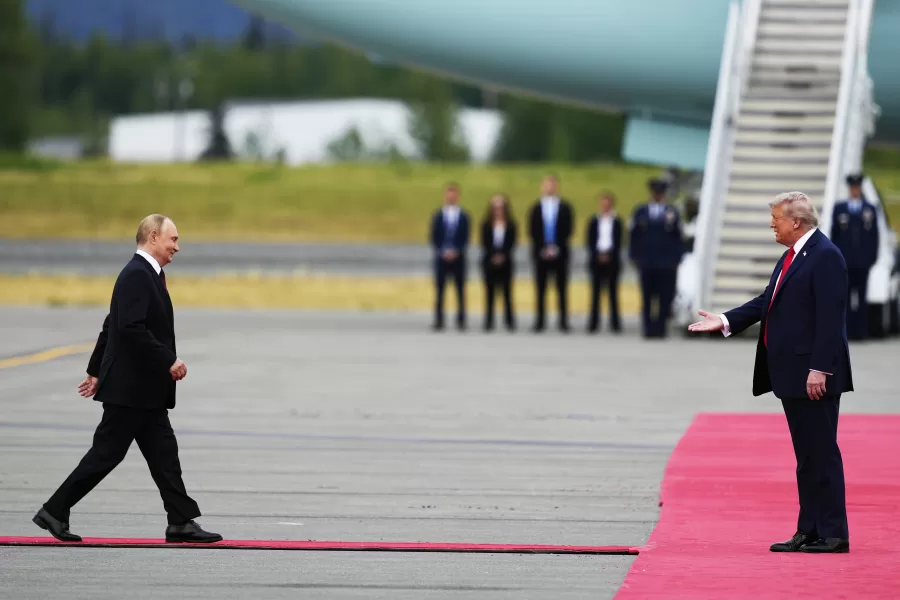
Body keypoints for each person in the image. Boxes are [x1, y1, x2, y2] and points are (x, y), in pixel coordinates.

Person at [33, 214, 222, 544]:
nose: (177, 246)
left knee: (164, 454)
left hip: (143, 392)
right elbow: (128, 328)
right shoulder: (137, 274)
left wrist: (94, 371)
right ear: (152, 237)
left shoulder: (147, 275)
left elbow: (110, 325)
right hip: (131, 391)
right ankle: (54, 509)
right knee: (106, 454)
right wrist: (169, 360)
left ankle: (180, 522)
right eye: (173, 239)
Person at [689, 191, 852, 554]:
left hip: (814, 375)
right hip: (793, 373)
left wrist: (820, 369)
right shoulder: (793, 255)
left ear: (796, 222)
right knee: (806, 456)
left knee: (821, 452)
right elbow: (768, 300)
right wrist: (725, 319)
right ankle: (809, 529)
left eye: (776, 219)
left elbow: (830, 318)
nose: (771, 225)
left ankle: (833, 532)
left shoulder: (825, 257)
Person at [629, 178, 684, 338]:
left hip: (665, 263)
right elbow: (634, 236)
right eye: (655, 192)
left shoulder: (671, 212)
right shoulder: (641, 211)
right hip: (647, 261)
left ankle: (660, 328)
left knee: (664, 297)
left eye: (660, 193)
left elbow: (677, 237)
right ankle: (648, 328)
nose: (657, 195)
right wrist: (634, 256)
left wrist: (676, 258)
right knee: (647, 296)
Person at [830, 173, 880, 340]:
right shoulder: (840, 209)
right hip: (845, 261)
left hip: (863, 261)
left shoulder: (869, 209)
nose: (855, 190)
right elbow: (834, 236)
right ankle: (847, 331)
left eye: (857, 188)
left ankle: (861, 331)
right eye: (853, 188)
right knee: (845, 297)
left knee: (862, 296)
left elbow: (874, 236)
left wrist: (872, 257)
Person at [528, 174, 574, 332]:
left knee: (561, 289)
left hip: (560, 253)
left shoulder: (565, 206)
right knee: (540, 289)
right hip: (541, 253)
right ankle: (540, 321)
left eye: (553, 184)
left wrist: (556, 247)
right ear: (542, 186)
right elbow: (533, 230)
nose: (550, 187)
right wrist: (543, 247)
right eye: (547, 184)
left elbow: (568, 229)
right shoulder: (536, 207)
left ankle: (563, 321)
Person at [429, 182, 470, 331]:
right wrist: (443, 251)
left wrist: (456, 251)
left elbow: (465, 238)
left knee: (460, 290)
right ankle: (439, 320)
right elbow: (434, 237)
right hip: (442, 258)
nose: (451, 196)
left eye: (454, 193)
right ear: (445, 195)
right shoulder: (438, 215)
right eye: (448, 193)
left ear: (458, 196)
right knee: (440, 290)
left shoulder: (464, 216)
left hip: (458, 258)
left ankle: (461, 320)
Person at [585, 191, 623, 333]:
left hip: (612, 259)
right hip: (597, 259)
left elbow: (619, 241)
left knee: (613, 293)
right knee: (595, 293)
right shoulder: (594, 221)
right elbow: (589, 240)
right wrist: (597, 255)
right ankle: (593, 323)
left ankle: (615, 324)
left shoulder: (617, 221)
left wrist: (609, 255)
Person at [480, 194, 517, 331]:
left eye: (501, 207)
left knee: (507, 293)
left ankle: (509, 322)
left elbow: (512, 243)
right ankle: (488, 321)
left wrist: (503, 256)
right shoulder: (486, 225)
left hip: (506, 262)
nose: (498, 210)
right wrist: (493, 256)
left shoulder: (511, 225)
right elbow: (484, 243)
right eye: (495, 207)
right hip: (489, 262)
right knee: (489, 293)